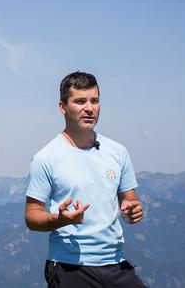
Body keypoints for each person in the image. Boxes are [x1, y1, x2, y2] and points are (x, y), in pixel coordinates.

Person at [25, 71, 146, 287]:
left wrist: (132, 210)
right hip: (69, 267)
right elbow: (32, 216)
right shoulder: (46, 158)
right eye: (80, 101)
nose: (89, 108)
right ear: (63, 107)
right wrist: (61, 220)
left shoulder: (118, 152)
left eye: (95, 101)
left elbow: (129, 200)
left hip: (116, 265)